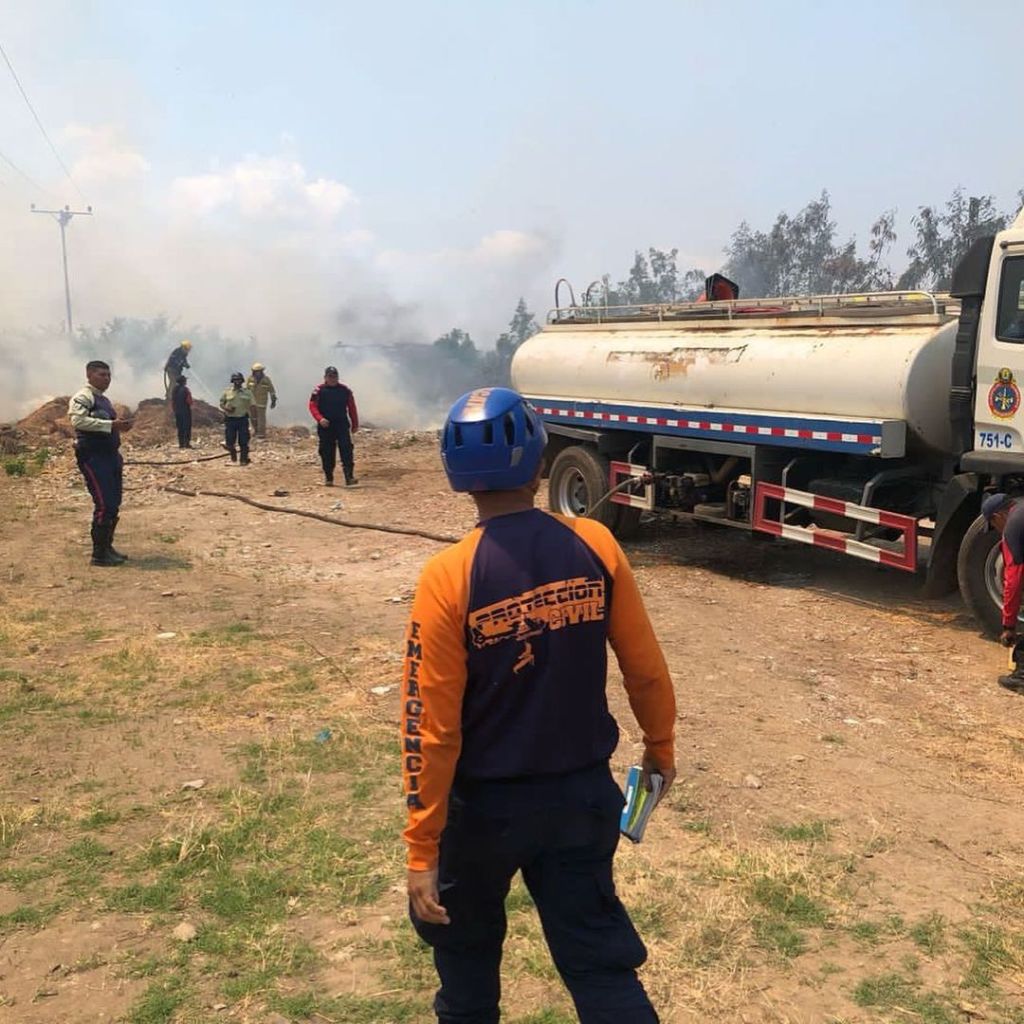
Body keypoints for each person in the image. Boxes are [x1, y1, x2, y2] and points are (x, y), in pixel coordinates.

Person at [402, 386, 677, 1024]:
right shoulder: (595, 545)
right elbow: (645, 670)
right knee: (600, 968)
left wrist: (422, 849)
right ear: (537, 461)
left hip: (483, 813)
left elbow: (430, 728)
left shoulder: (448, 577)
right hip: (580, 799)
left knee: (467, 978)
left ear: (455, 473)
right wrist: (659, 748)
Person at [68, 360, 133, 566]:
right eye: (101, 375)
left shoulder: (103, 400)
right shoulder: (83, 397)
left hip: (111, 456)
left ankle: (108, 547)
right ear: (89, 375)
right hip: (94, 456)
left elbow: (108, 425)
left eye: (108, 375)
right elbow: (78, 421)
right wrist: (110, 425)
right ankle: (99, 554)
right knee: (104, 504)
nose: (106, 379)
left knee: (113, 503)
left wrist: (120, 427)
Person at [982, 492, 1024, 691]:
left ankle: (1022, 677)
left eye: (993, 525)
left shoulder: (1012, 528)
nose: (997, 530)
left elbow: (1013, 580)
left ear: (998, 516)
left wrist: (1009, 625)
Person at [308, 365, 359, 486]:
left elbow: (352, 407)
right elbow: (312, 406)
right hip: (326, 425)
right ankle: (329, 477)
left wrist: (355, 424)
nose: (332, 379)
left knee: (346, 449)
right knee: (327, 451)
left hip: (341, 424)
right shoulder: (319, 390)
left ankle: (349, 477)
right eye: (330, 376)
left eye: (335, 376)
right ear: (325, 377)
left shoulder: (345, 390)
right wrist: (320, 418)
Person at [220, 371, 253, 465]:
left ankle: (243, 459)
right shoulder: (227, 392)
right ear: (232, 381)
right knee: (229, 441)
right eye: (235, 380)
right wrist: (227, 409)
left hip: (242, 419)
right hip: (230, 419)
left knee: (243, 441)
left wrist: (254, 418)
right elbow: (221, 403)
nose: (237, 382)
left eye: (239, 380)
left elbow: (252, 405)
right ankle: (233, 452)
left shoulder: (247, 392)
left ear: (242, 381)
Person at [246, 362, 277, 440]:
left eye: (259, 371)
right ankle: (256, 430)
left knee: (261, 418)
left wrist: (273, 400)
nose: (258, 373)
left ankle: (261, 434)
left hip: (262, 402)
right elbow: (246, 390)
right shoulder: (250, 379)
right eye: (256, 371)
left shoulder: (266, 380)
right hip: (251, 402)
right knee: (253, 417)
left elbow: (272, 391)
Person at [164, 339, 192, 404]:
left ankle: (175, 397)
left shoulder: (184, 354)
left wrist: (186, 365)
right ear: (183, 347)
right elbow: (172, 360)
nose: (188, 351)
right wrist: (181, 363)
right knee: (173, 382)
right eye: (187, 349)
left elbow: (184, 361)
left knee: (178, 383)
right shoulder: (177, 352)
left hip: (177, 371)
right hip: (171, 369)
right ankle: (169, 397)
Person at [171, 374, 193, 449]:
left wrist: (175, 410)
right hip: (186, 411)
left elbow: (172, 402)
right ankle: (187, 443)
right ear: (183, 381)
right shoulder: (186, 389)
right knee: (187, 427)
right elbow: (189, 401)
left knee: (180, 427)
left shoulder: (174, 390)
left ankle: (181, 444)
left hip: (177, 411)